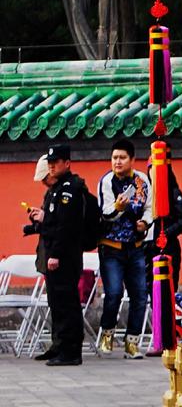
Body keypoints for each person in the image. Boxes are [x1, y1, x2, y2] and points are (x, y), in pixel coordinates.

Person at [23, 145, 93, 366]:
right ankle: (59, 345)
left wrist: (55, 254)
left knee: (67, 303)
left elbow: (66, 228)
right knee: (56, 302)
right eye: (50, 162)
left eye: (57, 162)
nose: (52, 166)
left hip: (65, 256)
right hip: (56, 253)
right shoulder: (56, 190)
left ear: (67, 163)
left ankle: (71, 351)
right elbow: (54, 222)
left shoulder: (70, 190)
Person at [95, 137, 153, 357]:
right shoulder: (107, 182)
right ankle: (107, 334)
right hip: (111, 247)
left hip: (136, 246)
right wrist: (118, 207)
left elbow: (150, 207)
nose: (117, 162)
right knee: (114, 293)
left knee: (140, 294)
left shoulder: (142, 180)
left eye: (122, 158)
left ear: (132, 159)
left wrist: (145, 223)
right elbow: (105, 212)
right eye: (114, 158)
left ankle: (132, 342)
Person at [151, 160, 182, 356]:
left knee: (168, 292)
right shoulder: (148, 194)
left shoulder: (173, 193)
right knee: (152, 294)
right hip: (149, 250)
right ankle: (158, 336)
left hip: (168, 249)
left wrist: (166, 233)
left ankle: (171, 335)